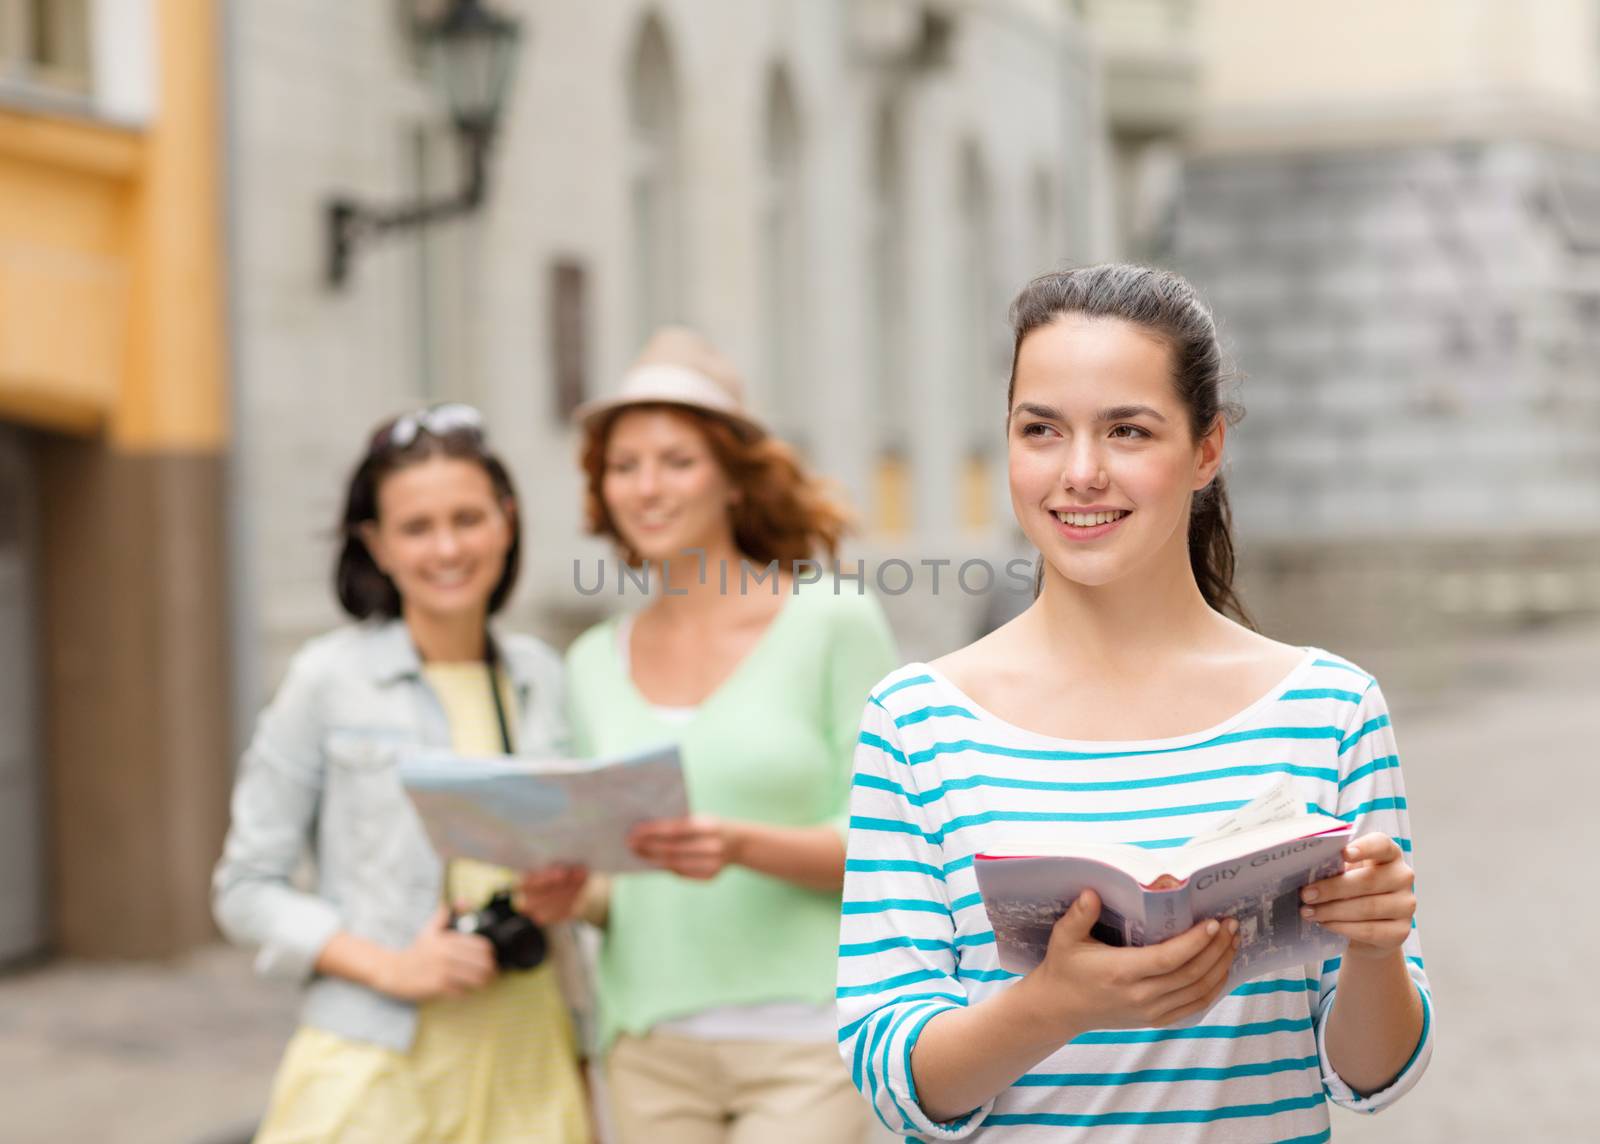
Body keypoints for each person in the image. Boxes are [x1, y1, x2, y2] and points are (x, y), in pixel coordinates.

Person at [837, 265, 1433, 1141]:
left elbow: (1371, 1074)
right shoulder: (916, 723)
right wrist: (1052, 1005)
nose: (1080, 473)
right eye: (1040, 429)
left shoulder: (1331, 709)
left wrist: (1378, 948)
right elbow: (889, 1078)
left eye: (1127, 430)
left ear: (1207, 449)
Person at [523, 327, 898, 1144]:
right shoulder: (592, 661)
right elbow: (617, 880)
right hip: (649, 1045)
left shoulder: (831, 621)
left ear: (732, 478)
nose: (647, 488)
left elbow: (893, 847)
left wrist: (740, 844)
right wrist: (569, 893)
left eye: (676, 461)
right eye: (625, 466)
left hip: (808, 1040)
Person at [213, 404, 591, 1143]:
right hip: (376, 1068)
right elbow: (244, 890)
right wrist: (393, 967)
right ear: (376, 545)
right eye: (417, 527)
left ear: (506, 522)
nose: (447, 547)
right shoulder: (325, 679)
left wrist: (566, 890)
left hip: (530, 1058)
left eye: (468, 518)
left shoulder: (540, 675)